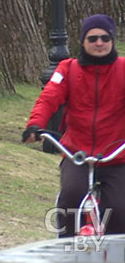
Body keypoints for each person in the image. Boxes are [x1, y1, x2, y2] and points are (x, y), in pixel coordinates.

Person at [22, 14, 125, 237]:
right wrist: (35, 125)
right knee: (71, 195)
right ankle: (65, 247)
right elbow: (49, 97)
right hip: (76, 151)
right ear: (82, 42)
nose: (99, 43)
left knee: (118, 207)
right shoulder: (67, 69)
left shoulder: (123, 69)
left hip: (116, 155)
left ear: (112, 40)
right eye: (93, 38)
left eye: (105, 38)